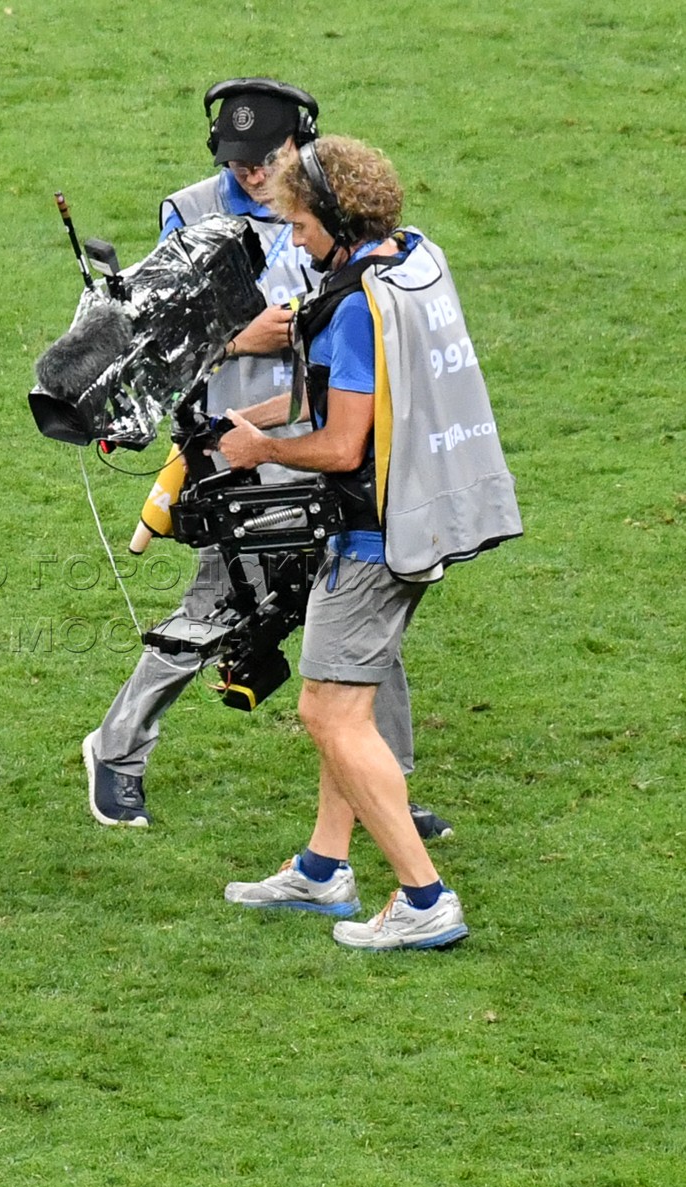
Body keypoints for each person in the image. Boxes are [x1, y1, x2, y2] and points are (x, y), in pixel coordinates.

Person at [83, 79, 452, 842]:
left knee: (359, 611)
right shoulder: (189, 213)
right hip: (238, 447)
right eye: (237, 160)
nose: (251, 174)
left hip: (330, 440)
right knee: (220, 605)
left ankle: (382, 783)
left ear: (301, 146)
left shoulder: (334, 208)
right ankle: (116, 750)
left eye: (267, 159)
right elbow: (153, 335)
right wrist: (236, 339)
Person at [215, 135, 519, 949]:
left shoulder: (353, 308)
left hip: (373, 537)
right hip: (424, 511)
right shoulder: (409, 260)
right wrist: (247, 418)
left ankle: (425, 899)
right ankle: (323, 869)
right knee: (348, 704)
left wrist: (262, 448)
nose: (295, 239)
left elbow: (343, 443)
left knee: (329, 713)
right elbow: (350, 393)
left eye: (301, 224)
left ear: (339, 220)